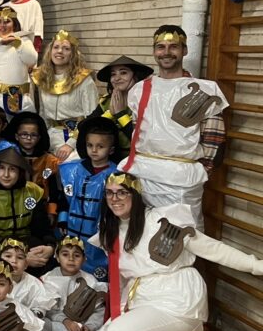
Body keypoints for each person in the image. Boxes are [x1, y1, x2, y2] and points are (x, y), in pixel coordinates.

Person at [88, 172, 263, 331]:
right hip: (140, 299)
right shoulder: (111, 231)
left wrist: (255, 266)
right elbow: (122, 279)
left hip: (177, 300)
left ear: (135, 195)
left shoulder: (161, 221)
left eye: (122, 193)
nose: (115, 199)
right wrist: (119, 310)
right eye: (109, 193)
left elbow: (212, 249)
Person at [119, 26, 227, 229]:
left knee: (181, 236)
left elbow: (214, 137)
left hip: (181, 180)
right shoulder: (140, 89)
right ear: (154, 51)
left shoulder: (205, 90)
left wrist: (202, 170)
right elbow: (137, 131)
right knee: (142, 232)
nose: (166, 52)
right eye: (160, 47)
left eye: (173, 47)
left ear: (184, 50)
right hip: (143, 175)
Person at [0, 147, 56, 274]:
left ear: (20, 172)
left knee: (49, 264)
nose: (6, 174)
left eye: (12, 169)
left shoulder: (32, 191)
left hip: (26, 244)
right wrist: (20, 258)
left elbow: (42, 228)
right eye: (2, 168)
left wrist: (50, 246)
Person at [57, 117, 121, 280]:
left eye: (100, 146)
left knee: (98, 276)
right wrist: (62, 219)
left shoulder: (116, 175)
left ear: (111, 150)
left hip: (99, 235)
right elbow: (63, 197)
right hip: (72, 231)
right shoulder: (72, 170)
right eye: (90, 145)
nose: (94, 150)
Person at [31, 30, 99, 161]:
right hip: (50, 135)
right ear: (50, 51)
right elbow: (43, 114)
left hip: (77, 137)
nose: (60, 51)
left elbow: (91, 117)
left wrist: (70, 144)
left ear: (73, 54)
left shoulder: (84, 80)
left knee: (70, 163)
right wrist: (41, 138)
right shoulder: (43, 78)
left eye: (66, 48)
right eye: (56, 47)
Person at [41, 237, 106, 331]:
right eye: (65, 254)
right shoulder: (48, 279)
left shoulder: (90, 281)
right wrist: (66, 321)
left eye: (76, 255)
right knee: (44, 326)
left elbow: (99, 310)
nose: (71, 259)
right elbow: (48, 310)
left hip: (82, 327)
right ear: (57, 257)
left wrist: (89, 327)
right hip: (59, 324)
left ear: (84, 259)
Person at [87, 55, 152, 154]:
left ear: (136, 76)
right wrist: (109, 114)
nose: (117, 78)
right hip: (107, 157)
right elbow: (84, 127)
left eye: (123, 73)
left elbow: (144, 140)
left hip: (136, 157)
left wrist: (121, 114)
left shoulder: (147, 102)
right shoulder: (106, 102)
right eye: (113, 74)